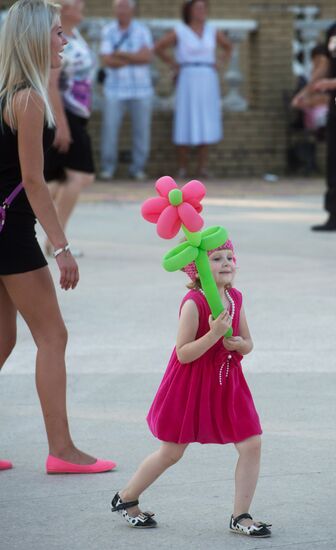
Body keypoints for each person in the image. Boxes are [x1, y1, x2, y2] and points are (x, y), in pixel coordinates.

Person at [0, 0, 115, 474]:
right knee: (53, 335)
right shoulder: (27, 98)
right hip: (12, 233)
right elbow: (33, 179)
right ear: (33, 38)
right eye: (56, 32)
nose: (64, 40)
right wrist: (61, 246)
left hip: (5, 229)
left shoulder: (12, 93)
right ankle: (62, 450)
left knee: (3, 339)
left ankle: (62, 448)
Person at [110, 240, 272, 537]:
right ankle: (127, 497)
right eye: (217, 258)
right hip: (190, 385)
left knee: (252, 443)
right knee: (172, 452)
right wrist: (214, 334)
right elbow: (184, 353)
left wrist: (239, 344)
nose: (226, 263)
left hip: (227, 381)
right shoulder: (193, 303)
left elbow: (248, 343)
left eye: (230, 257)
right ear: (198, 269)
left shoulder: (235, 297)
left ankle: (241, 515)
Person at [155, 0, 232, 179]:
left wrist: (219, 62)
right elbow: (158, 47)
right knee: (185, 119)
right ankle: (182, 168)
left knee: (205, 120)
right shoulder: (180, 30)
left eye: (203, 8)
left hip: (207, 77)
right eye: (197, 8)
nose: (201, 11)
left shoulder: (212, 30)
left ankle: (202, 168)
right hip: (188, 76)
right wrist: (173, 64)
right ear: (189, 11)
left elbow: (228, 46)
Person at [44, 0, 95, 256]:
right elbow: (51, 84)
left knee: (58, 179)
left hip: (77, 116)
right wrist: (62, 125)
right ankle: (57, 241)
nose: (82, 5)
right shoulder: (59, 38)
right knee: (80, 175)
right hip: (66, 116)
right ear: (63, 8)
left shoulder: (76, 35)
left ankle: (51, 236)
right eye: (75, 2)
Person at [99, 0, 153, 181]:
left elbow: (147, 57)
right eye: (118, 7)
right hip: (114, 89)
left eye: (124, 6)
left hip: (141, 90)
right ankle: (108, 168)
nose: (121, 10)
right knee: (110, 129)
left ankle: (138, 169)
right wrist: (135, 57)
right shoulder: (108, 30)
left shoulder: (142, 30)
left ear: (132, 9)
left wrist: (122, 55)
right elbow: (106, 60)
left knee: (142, 130)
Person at [292, 23, 336, 231]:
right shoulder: (332, 33)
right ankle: (333, 215)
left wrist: (330, 84)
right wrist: (304, 93)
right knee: (333, 162)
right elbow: (324, 69)